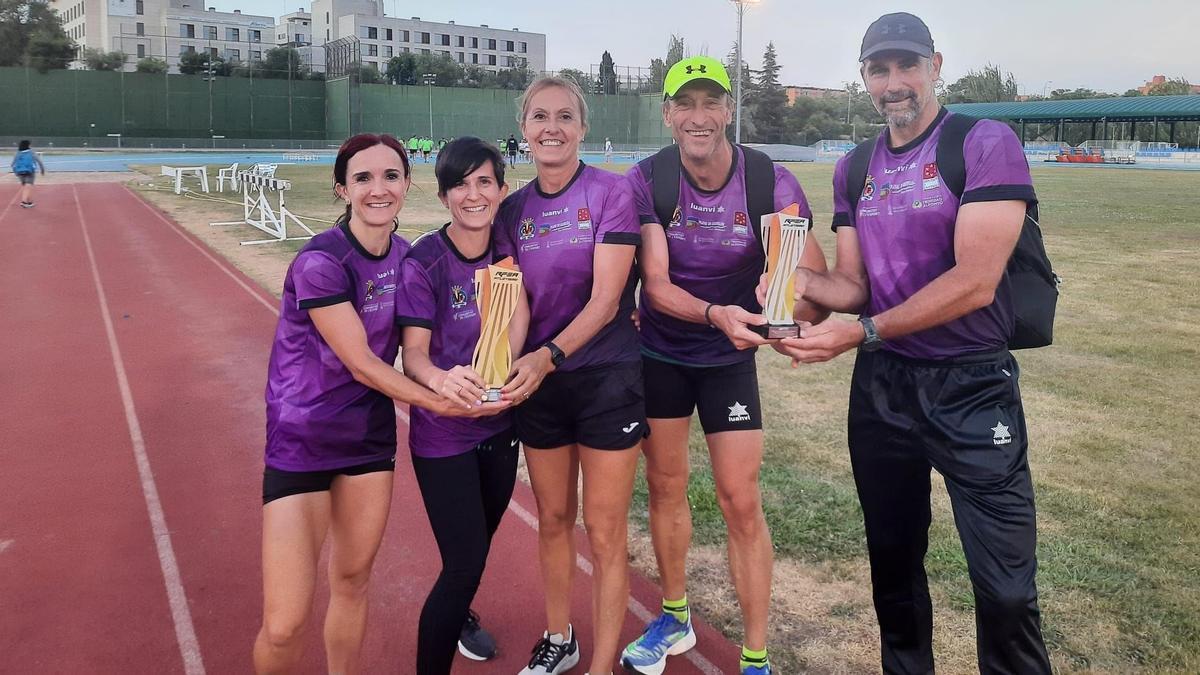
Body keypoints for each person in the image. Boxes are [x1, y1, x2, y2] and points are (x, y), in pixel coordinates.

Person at [768, 13, 1053, 675]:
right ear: (864, 77)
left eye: (906, 65)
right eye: (878, 68)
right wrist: (792, 282)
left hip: (972, 387)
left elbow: (977, 281)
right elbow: (854, 284)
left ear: (935, 65)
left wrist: (863, 330)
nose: (893, 82)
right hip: (884, 390)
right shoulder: (853, 167)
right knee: (892, 571)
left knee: (1007, 591)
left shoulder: (983, 143)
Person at [253, 133, 504, 674]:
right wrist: (446, 402)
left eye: (391, 176)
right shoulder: (321, 261)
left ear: (407, 185)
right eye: (363, 178)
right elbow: (365, 364)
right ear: (342, 188)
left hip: (368, 443)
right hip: (303, 445)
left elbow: (429, 342)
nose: (378, 189)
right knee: (285, 622)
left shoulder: (409, 258)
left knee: (352, 582)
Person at [621, 56, 826, 675]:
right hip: (662, 352)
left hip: (729, 359)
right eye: (686, 104)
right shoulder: (650, 179)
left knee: (740, 499)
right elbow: (653, 286)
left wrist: (791, 307)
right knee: (665, 486)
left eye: (712, 103)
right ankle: (676, 616)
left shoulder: (767, 178)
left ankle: (757, 657)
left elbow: (808, 280)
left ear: (728, 111)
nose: (699, 117)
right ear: (668, 114)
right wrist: (716, 312)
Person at [493, 75, 645, 675]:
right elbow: (514, 301)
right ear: (524, 130)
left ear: (583, 128)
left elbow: (608, 300)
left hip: (606, 380)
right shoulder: (511, 211)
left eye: (564, 116)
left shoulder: (612, 193)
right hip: (541, 387)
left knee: (604, 534)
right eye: (538, 116)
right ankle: (561, 638)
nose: (551, 127)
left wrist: (547, 355)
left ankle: (603, 665)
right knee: (553, 519)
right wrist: (504, 363)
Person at [397, 136, 529, 675]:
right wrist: (443, 380)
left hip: (500, 427)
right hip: (444, 434)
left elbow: (518, 314)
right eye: (459, 185)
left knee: (471, 555)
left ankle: (462, 613)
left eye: (484, 183)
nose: (473, 195)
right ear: (443, 194)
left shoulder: (506, 247)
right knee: (464, 562)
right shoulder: (424, 260)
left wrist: (507, 370)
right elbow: (414, 355)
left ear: (501, 189)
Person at [10, 140, 46, 208]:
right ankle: (24, 202)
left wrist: (16, 172)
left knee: (26, 187)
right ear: (28, 145)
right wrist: (42, 170)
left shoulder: (18, 153)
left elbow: (12, 164)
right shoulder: (31, 152)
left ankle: (29, 202)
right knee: (28, 187)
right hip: (30, 172)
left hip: (20, 173)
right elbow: (39, 161)